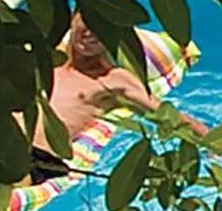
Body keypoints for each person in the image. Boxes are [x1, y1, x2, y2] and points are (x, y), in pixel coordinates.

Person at [28, 14, 211, 184]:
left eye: (104, 29)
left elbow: (166, 115)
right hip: (7, 142)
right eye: (88, 20)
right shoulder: (48, 62)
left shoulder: (112, 79)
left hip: (39, 160)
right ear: (74, 17)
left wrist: (214, 141)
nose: (92, 31)